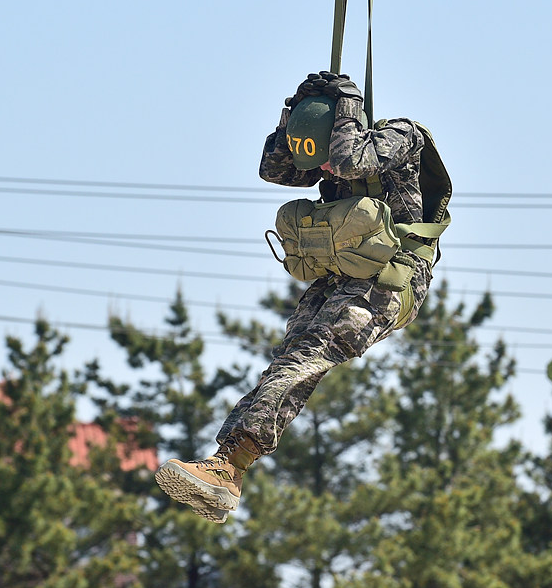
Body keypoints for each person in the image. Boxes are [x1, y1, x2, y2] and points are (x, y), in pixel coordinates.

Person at [154, 71, 445, 523]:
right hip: (344, 276)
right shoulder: (331, 147)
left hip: (390, 283)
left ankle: (230, 464)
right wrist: (293, 114)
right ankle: (226, 470)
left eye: (324, 158)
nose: (323, 171)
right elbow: (273, 169)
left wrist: (344, 103)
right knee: (288, 357)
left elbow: (349, 162)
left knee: (307, 355)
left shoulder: (401, 136)